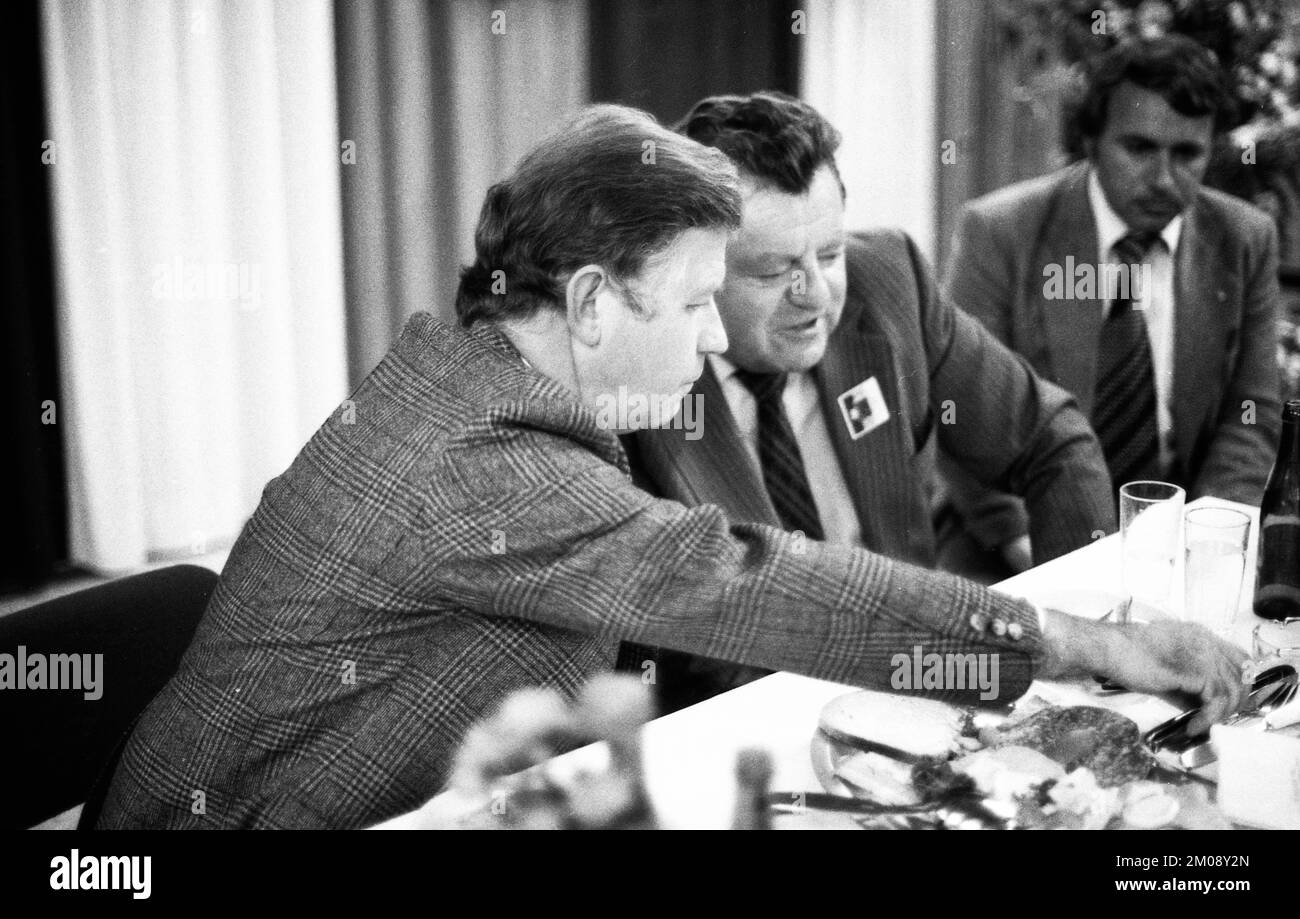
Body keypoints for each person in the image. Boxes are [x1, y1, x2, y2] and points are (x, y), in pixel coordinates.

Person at [95, 105, 1245, 830]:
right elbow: (750, 578)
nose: (709, 340)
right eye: (699, 300)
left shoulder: (468, 371)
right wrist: (1091, 644)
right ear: (593, 302)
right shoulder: (486, 462)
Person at [619, 91, 1115, 711]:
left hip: (919, 691)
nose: (816, 295)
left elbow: (1052, 440)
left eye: (829, 255)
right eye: (772, 272)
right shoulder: (638, 376)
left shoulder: (890, 281)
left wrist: (1090, 648)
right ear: (695, 269)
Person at [940, 35, 1283, 567]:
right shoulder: (1000, 231)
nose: (1164, 179)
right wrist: (1041, 555)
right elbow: (961, 412)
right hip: (1018, 538)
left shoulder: (1245, 238)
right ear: (1092, 140)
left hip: (1180, 540)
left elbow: (1252, 413)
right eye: (1140, 149)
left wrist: (1208, 540)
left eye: (1187, 153)